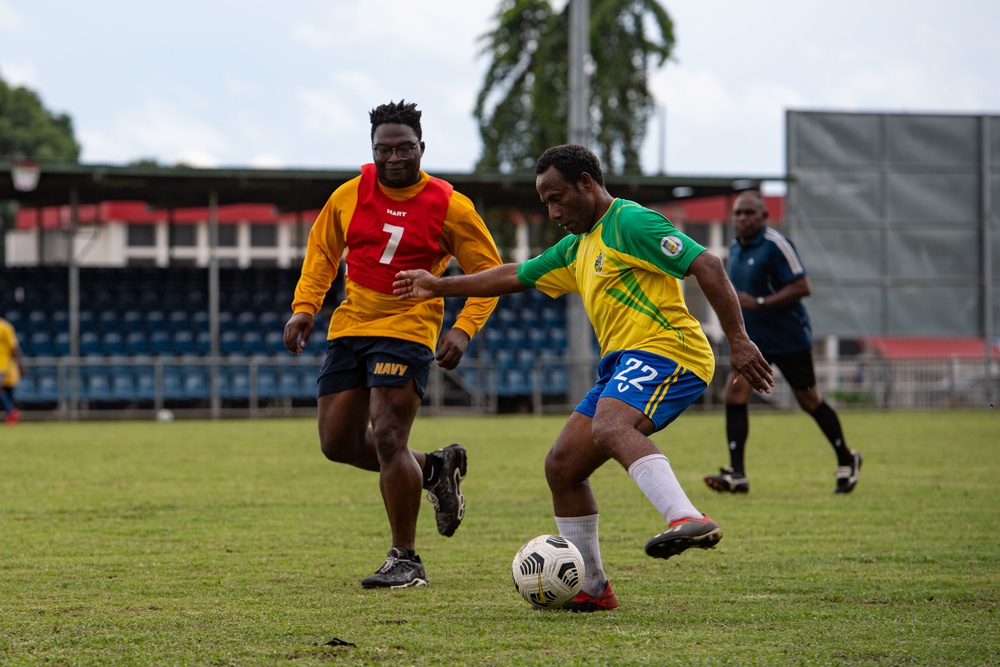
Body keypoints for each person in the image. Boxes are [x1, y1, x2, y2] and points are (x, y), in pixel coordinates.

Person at [393, 144, 774, 611]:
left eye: (558, 198)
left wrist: (737, 339)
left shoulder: (629, 222)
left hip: (670, 349)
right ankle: (593, 586)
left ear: (587, 184)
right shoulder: (576, 247)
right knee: (562, 466)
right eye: (545, 203)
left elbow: (707, 264)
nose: (553, 211)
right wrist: (440, 285)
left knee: (611, 426)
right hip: (622, 363)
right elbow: (515, 275)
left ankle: (686, 517)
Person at [283, 100, 503, 589]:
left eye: (405, 147)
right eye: (384, 149)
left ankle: (406, 559)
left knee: (387, 436)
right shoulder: (348, 194)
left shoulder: (450, 204)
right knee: (336, 443)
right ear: (373, 150)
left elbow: (488, 274)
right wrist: (305, 307)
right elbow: (322, 252)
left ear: (422, 147)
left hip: (409, 327)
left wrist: (463, 328)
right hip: (351, 326)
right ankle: (433, 468)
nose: (395, 158)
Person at [703, 191, 862, 495]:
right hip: (755, 341)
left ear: (764, 217)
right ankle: (737, 474)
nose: (742, 219)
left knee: (809, 400)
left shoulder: (776, 244)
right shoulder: (735, 247)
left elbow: (803, 286)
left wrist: (760, 302)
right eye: (737, 213)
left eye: (749, 213)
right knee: (734, 395)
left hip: (789, 337)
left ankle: (847, 458)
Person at [0, 315, 25, 425]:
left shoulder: (5, 327)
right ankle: (11, 411)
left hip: (2, 364)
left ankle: (11, 411)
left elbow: (14, 347)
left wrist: (21, 365)